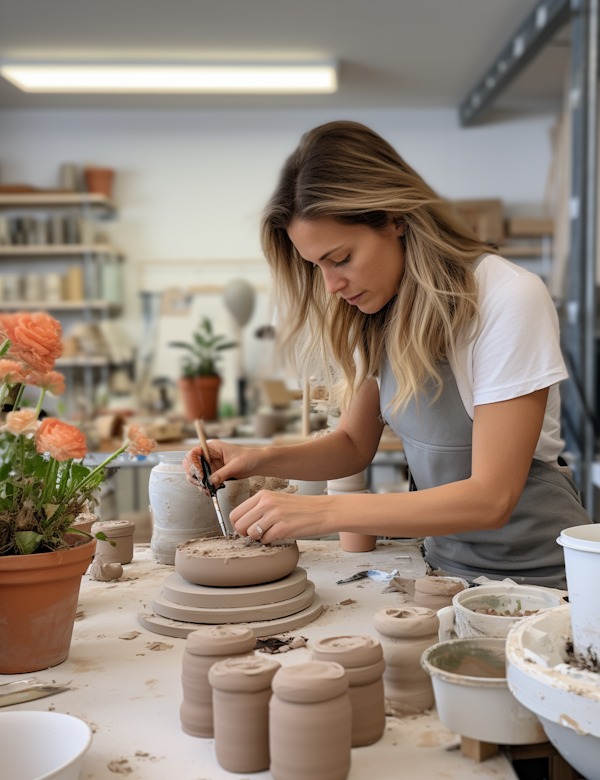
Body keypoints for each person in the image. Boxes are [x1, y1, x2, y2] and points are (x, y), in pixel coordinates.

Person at [186, 121, 590, 589]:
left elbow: (491, 498)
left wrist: (322, 510)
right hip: (445, 571)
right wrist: (255, 459)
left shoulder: (507, 297)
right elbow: (353, 446)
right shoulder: (379, 310)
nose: (331, 287)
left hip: (543, 582)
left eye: (340, 258)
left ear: (395, 218)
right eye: (316, 266)